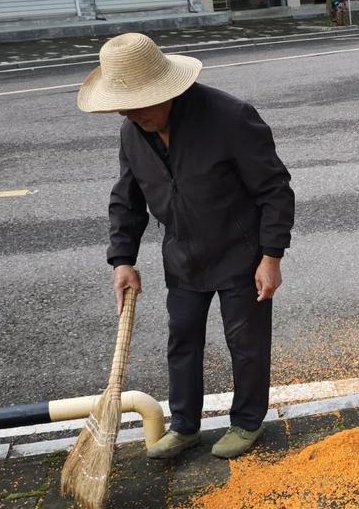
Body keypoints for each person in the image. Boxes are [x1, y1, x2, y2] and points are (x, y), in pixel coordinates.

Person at [77, 33, 294, 459]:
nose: (130, 114)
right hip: (182, 256)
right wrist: (122, 259)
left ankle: (247, 422)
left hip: (240, 253)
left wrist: (271, 256)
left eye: (139, 106)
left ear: (168, 90)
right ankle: (185, 425)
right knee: (183, 340)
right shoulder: (133, 130)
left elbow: (275, 190)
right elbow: (127, 197)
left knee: (245, 343)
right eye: (124, 108)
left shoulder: (230, 118)